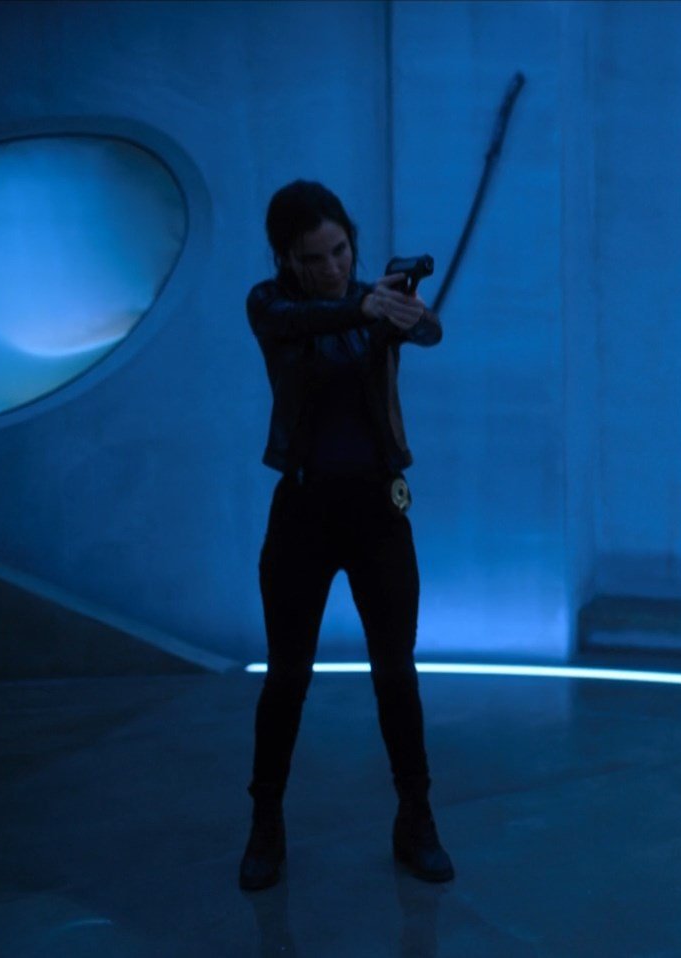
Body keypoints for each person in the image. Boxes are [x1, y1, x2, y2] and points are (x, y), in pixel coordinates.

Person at [239, 180, 452, 891]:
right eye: (315, 257)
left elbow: (430, 333)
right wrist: (364, 307)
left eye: (340, 250)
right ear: (286, 258)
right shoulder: (270, 304)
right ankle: (265, 822)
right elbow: (299, 321)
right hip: (303, 511)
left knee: (395, 672)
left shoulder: (373, 302)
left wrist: (409, 311)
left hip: (377, 511)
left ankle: (416, 817)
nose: (333, 266)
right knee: (287, 677)